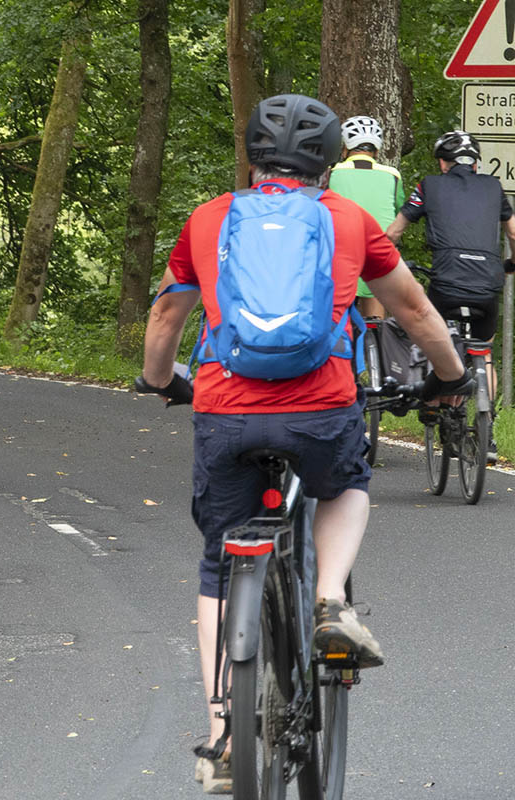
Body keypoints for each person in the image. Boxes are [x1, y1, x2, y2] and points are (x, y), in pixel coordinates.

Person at [137, 94, 468, 794]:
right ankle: (328, 604)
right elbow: (411, 308)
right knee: (346, 484)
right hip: (322, 408)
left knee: (216, 566)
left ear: (253, 154)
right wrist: (451, 376)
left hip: (225, 409)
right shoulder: (347, 219)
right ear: (327, 161)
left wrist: (161, 380)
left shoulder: (209, 218)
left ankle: (226, 734)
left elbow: (168, 310)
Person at [385, 131, 515, 459]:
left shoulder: (429, 185)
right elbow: (513, 231)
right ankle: (488, 428)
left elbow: (394, 231)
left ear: (443, 163)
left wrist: (390, 265)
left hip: (445, 283)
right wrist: (510, 264)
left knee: (432, 335)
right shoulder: (494, 187)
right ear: (476, 164)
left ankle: (431, 401)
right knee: (483, 350)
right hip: (487, 284)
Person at [327, 116, 404, 320]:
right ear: (376, 151)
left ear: (345, 149)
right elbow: (399, 211)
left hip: (342, 256)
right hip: (379, 252)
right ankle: (377, 342)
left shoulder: (332, 173)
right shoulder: (392, 175)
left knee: (338, 318)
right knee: (377, 313)